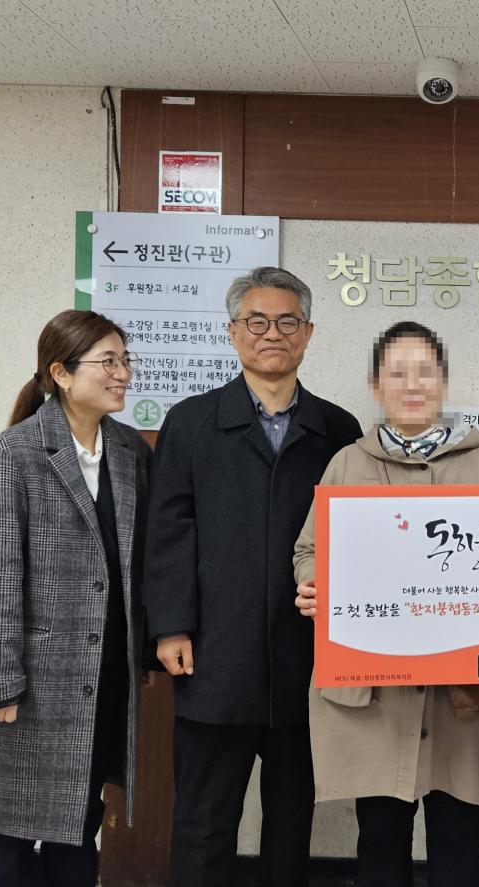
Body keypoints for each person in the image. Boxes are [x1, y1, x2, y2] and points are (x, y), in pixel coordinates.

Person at [142, 267, 362, 887]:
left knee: (292, 819)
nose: (273, 333)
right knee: (204, 819)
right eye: (257, 321)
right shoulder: (191, 422)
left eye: (288, 321)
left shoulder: (338, 430)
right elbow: (168, 531)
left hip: (307, 655)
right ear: (233, 332)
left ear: (309, 333)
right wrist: (171, 625)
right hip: (216, 654)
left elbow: (358, 536)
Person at [291, 321, 479, 887]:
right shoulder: (347, 463)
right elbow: (309, 549)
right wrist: (314, 583)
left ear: (444, 381)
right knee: (379, 840)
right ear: (376, 386)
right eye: (398, 373)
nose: (413, 384)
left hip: (461, 693)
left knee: (460, 840)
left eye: (425, 371)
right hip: (375, 690)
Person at [0, 309, 151, 886]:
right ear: (61, 373)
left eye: (125, 360)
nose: (122, 373)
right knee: (11, 831)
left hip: (104, 675)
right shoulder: (13, 454)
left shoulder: (129, 451)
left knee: (79, 822)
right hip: (34, 682)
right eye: (107, 361)